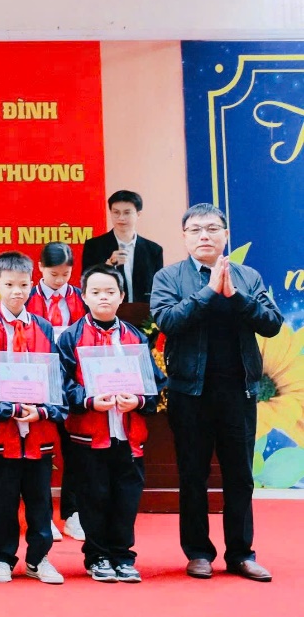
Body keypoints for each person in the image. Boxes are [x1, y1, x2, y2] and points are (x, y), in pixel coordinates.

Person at [150, 204, 281, 582]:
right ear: (184, 237)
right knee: (192, 475)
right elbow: (168, 320)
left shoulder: (248, 276)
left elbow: (272, 323)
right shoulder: (168, 277)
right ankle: (198, 553)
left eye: (211, 228)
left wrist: (236, 296)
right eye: (195, 230)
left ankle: (241, 554)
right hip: (190, 393)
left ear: (225, 234)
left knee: (240, 476)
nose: (204, 235)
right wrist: (209, 292)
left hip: (238, 392)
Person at [58, 265, 164, 583]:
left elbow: (154, 383)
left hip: (128, 434)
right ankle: (97, 556)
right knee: (93, 497)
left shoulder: (134, 337)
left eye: (110, 292)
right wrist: (88, 400)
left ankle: (122, 556)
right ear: (84, 296)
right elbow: (61, 384)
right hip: (89, 436)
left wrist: (139, 401)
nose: (103, 297)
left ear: (121, 296)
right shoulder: (71, 337)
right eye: (95, 292)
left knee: (126, 497)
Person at [0, 251, 66, 585]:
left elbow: (55, 377)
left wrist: (43, 411)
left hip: (38, 429)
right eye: (9, 284)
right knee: (3, 500)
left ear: (32, 284)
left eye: (23, 285)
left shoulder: (43, 328)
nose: (17, 291)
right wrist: (7, 410)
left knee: (40, 500)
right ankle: (2, 558)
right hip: (2, 431)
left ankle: (39, 559)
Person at [26, 241, 87, 542]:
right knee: (40, 453)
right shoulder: (26, 297)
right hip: (39, 385)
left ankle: (73, 513)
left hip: (72, 383)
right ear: (40, 268)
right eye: (53, 274)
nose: (60, 281)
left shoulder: (80, 297)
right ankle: (43, 517)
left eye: (66, 274)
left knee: (75, 450)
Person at [82, 191, 165, 306]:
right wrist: (108, 265)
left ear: (138, 214)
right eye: (116, 212)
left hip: (144, 312)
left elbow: (158, 287)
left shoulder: (153, 250)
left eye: (127, 213)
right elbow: (86, 282)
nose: (121, 218)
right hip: (106, 310)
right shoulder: (94, 246)